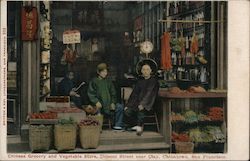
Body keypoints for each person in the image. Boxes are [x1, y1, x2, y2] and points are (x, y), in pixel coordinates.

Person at [124, 60, 159, 135]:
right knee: (127, 112)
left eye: (147, 70)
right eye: (143, 70)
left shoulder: (153, 81)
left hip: (148, 104)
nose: (145, 71)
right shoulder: (140, 82)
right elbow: (134, 95)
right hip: (137, 103)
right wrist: (128, 105)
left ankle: (139, 127)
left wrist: (143, 104)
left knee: (141, 112)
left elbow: (149, 94)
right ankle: (135, 125)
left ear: (151, 71)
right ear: (141, 71)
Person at [87, 63, 123, 130]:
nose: (105, 73)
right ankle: (98, 127)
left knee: (120, 107)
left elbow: (113, 94)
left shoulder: (108, 82)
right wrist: (96, 102)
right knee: (97, 110)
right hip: (99, 104)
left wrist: (113, 102)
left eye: (106, 72)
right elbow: (91, 94)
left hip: (108, 104)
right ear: (98, 72)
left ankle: (118, 125)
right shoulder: (94, 81)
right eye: (103, 71)